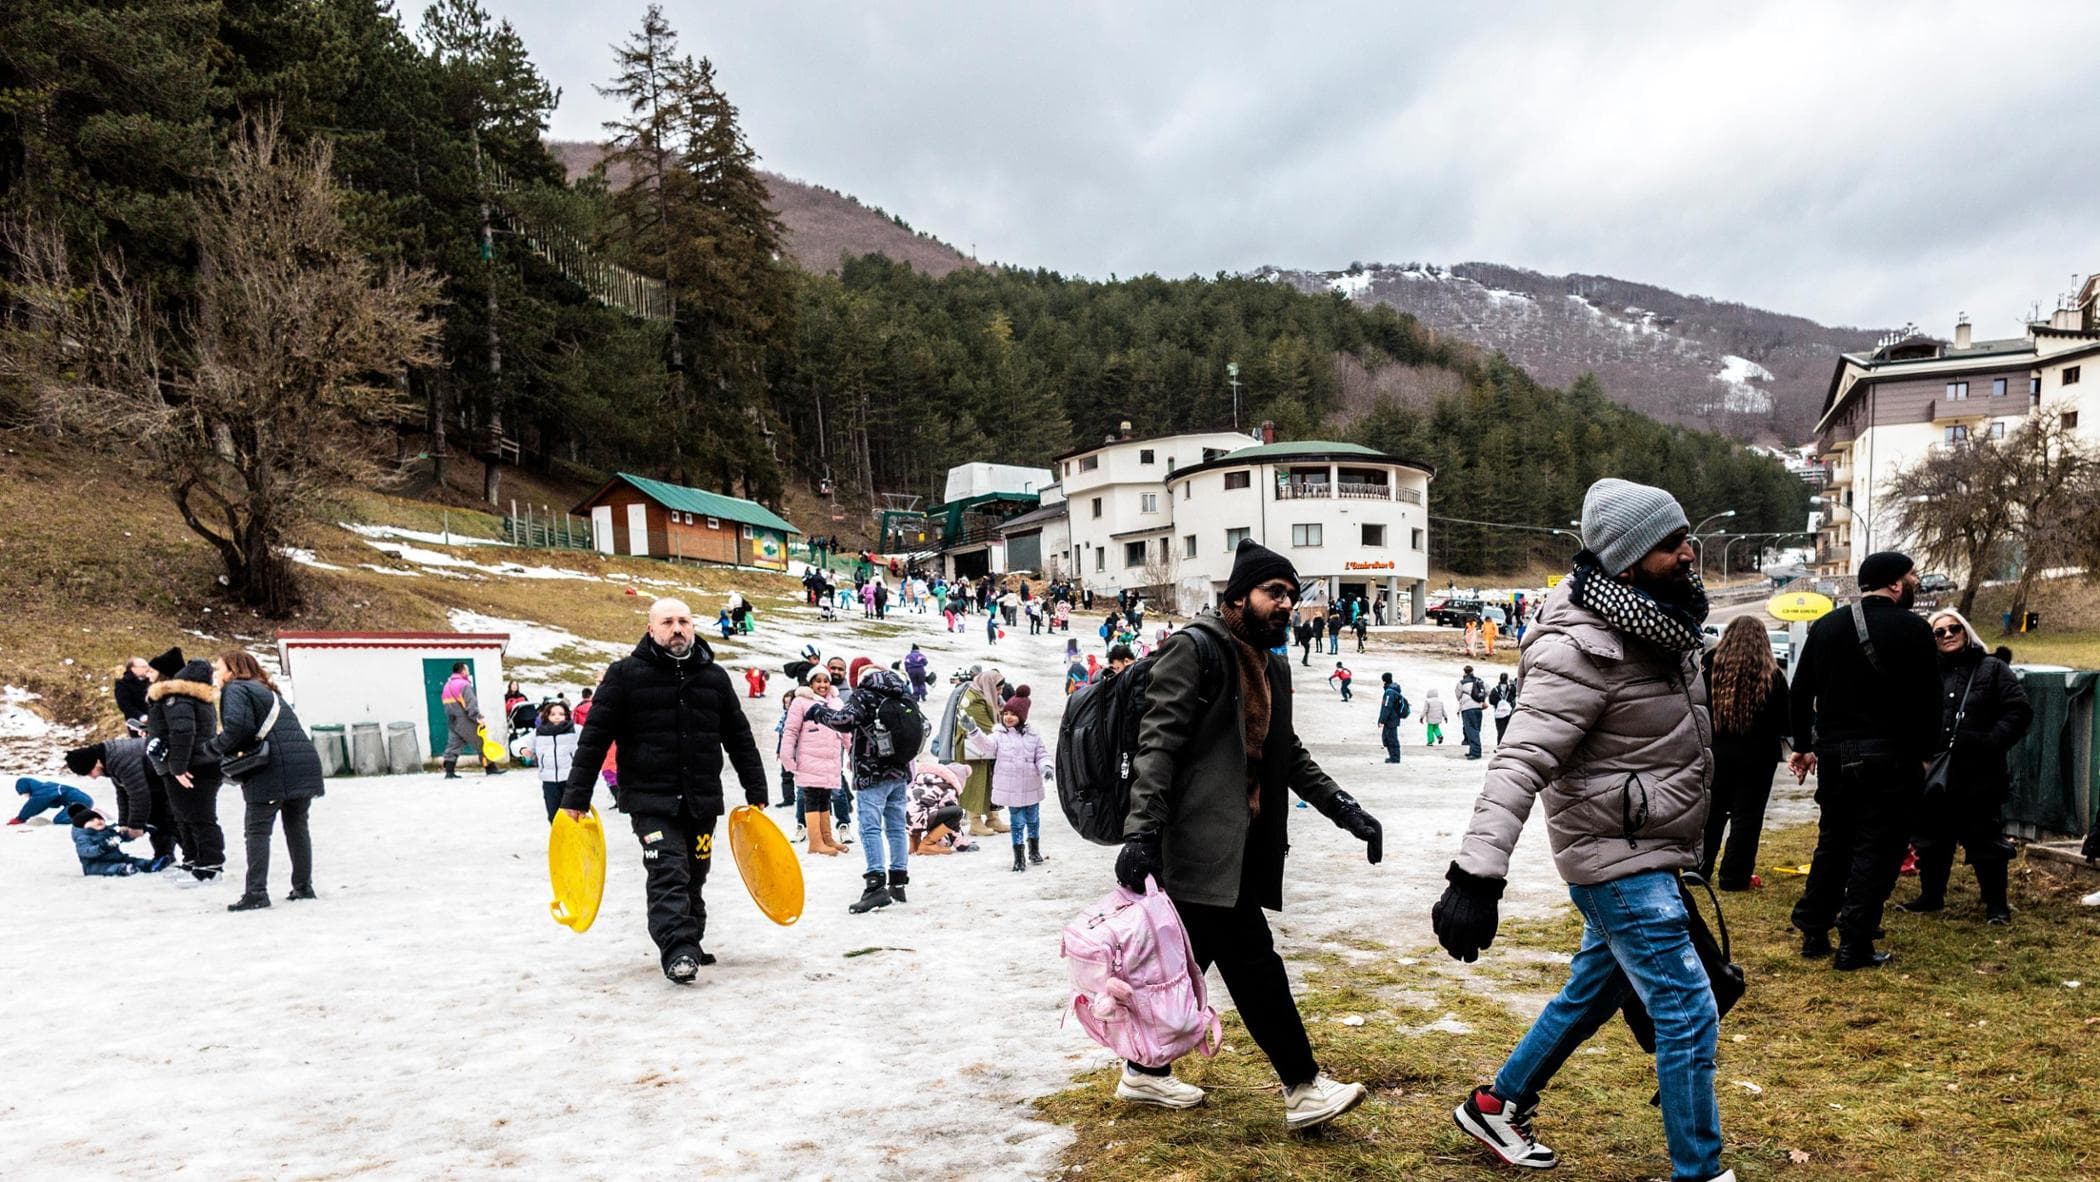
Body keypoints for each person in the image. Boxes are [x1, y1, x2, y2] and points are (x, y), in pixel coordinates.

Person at [1434, 477, 1727, 1182]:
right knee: (1689, 1010)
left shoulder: (1663, 623)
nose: (1690, 554)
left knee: (1595, 990)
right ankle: (1702, 1173)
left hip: (1647, 847)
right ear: (1628, 562)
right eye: (1673, 545)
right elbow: (1519, 761)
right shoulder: (1579, 646)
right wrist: (1476, 876)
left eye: (1687, 538)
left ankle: (1494, 1104)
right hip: (1614, 858)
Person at [1112, 538, 1381, 1130]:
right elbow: (1159, 743)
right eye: (1274, 593)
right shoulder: (1196, 650)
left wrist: (1346, 809)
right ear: (1237, 598)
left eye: (1292, 594)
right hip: (1195, 844)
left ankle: (1143, 1072)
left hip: (1239, 846)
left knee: (1188, 959)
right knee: (1254, 963)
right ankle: (1303, 1087)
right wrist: (1142, 833)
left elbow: (1286, 753)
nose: (1287, 604)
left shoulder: (1272, 662)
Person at [561, 598, 770, 984]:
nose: (677, 628)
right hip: (649, 798)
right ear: (651, 628)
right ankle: (677, 951)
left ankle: (690, 939)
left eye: (684, 621)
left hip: (701, 797)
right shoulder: (624, 675)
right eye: (668, 622)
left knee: (694, 873)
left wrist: (755, 786)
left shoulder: (714, 678)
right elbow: (594, 738)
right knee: (667, 871)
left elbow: (739, 736)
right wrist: (576, 796)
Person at [1788, 552, 1942, 969]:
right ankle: (1854, 943)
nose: (1915, 582)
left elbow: (1800, 693)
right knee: (1878, 847)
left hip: (1837, 756)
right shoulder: (1914, 630)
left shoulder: (1826, 627)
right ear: (1895, 583)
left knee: (1833, 842)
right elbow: (1930, 700)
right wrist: (1927, 755)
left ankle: (1814, 931)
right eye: (1912, 577)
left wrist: (1803, 744)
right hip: (1890, 758)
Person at [1899, 608, 2032, 923]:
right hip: (1934, 770)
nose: (1947, 635)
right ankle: (1932, 896)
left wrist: (1988, 741)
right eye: (1938, 631)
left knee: (1985, 839)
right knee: (1931, 839)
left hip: (1979, 772)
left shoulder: (1993, 668)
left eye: (1953, 628)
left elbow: (2018, 712)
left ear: (1966, 631)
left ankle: (1996, 904)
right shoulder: (1925, 673)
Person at [210, 650, 325, 911]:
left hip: (273, 767)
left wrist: (212, 749)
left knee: (257, 830)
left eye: (218, 669)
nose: (216, 675)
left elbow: (238, 728)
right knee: (297, 827)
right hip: (303, 763)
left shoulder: (235, 689)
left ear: (232, 670)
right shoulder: (266, 689)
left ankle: (256, 892)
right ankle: (303, 886)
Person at [806, 662, 926, 912]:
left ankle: (875, 885)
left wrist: (818, 712)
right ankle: (898, 881)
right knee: (895, 827)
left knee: (870, 827)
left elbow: (844, 720)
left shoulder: (865, 694)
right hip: (898, 771)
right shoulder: (903, 694)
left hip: (871, 773)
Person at [1701, 618, 1791, 891]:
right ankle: (1734, 877)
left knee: (1712, 813)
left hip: (1716, 752)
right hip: (1758, 757)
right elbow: (1785, 723)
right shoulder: (1771, 675)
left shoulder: (1711, 668)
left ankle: (1698, 869)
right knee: (1747, 818)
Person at [145, 647, 227, 884]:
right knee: (184, 816)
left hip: (194, 767)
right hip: (193, 765)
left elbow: (183, 732)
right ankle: (193, 860)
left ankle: (210, 866)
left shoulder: (178, 698)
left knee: (199, 817)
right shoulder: (196, 699)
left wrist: (178, 767)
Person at [963, 685, 1053, 871]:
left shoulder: (1033, 736)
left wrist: (1046, 768)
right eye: (1006, 713)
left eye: (1013, 714)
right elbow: (986, 746)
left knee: (1034, 820)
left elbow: (1042, 755)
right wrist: (974, 731)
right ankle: (1019, 858)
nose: (1008, 717)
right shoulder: (998, 735)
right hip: (1011, 788)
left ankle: (1034, 851)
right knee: (1017, 823)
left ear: (1022, 716)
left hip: (1031, 786)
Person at [63, 739, 174, 864]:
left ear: (95, 762)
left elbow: (139, 794)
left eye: (90, 772)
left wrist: (135, 826)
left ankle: (194, 859)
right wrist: (124, 823)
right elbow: (122, 793)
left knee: (175, 817)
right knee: (155, 816)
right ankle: (164, 855)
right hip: (158, 782)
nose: (93, 777)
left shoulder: (120, 759)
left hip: (175, 775)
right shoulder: (108, 761)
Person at [780, 668, 851, 856]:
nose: (822, 685)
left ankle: (827, 838)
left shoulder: (836, 702)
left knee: (825, 797)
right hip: (810, 758)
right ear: (810, 683)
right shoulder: (801, 702)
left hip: (831, 760)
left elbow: (845, 729)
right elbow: (791, 730)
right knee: (811, 796)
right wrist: (787, 755)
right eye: (818, 681)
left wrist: (851, 750)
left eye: (826, 681)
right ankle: (815, 842)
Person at [955, 668, 1008, 837]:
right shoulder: (972, 700)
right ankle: (975, 821)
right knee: (976, 783)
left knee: (990, 780)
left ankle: (993, 817)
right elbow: (987, 726)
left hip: (984, 747)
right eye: (997, 688)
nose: (999, 692)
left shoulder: (984, 695)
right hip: (971, 747)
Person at [439, 663, 505, 779]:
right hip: (465, 720)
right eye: (467, 669)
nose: (468, 672)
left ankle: (449, 771)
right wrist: (478, 717)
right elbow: (471, 704)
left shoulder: (446, 686)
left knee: (453, 745)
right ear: (463, 671)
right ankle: (490, 768)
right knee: (481, 743)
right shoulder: (464, 685)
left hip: (452, 719)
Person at [67, 804, 160, 876]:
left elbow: (122, 837)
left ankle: (150, 864)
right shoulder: (83, 838)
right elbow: (85, 851)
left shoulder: (108, 830)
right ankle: (123, 869)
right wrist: (101, 848)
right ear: (83, 826)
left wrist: (142, 830)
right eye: (91, 820)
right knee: (108, 868)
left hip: (116, 858)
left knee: (131, 860)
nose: (97, 821)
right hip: (95, 864)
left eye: (99, 818)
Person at [906, 759, 973, 855]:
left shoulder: (921, 780)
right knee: (956, 812)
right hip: (919, 819)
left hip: (904, 821)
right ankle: (927, 844)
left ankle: (914, 844)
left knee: (920, 808)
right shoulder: (948, 788)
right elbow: (953, 822)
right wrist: (961, 845)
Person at [532, 701, 581, 823]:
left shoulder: (574, 729)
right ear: (547, 716)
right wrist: (522, 749)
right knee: (553, 814)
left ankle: (575, 839)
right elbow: (517, 744)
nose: (557, 716)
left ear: (566, 715)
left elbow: (592, 737)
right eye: (553, 714)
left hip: (570, 779)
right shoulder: (539, 732)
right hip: (549, 780)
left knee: (572, 813)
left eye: (561, 714)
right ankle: (559, 839)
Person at [11, 776, 91, 826]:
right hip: (79, 801)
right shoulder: (45, 788)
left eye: (24, 793)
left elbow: (34, 805)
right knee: (60, 819)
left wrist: (20, 818)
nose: (26, 796)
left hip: (80, 801)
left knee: (60, 820)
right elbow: (41, 805)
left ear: (27, 788)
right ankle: (86, 814)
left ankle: (88, 816)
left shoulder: (43, 790)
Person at [114, 657, 155, 736]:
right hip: (137, 722)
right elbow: (124, 705)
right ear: (133, 669)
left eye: (148, 666)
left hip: (155, 719)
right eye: (144, 667)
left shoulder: (151, 680)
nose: (148, 669)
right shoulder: (123, 684)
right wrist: (140, 715)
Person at [1456, 665, 1488, 759]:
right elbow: (1488, 690)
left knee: (1470, 730)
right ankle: (1472, 750)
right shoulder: (1479, 681)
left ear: (1464, 672)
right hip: (1478, 707)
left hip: (1467, 708)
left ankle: (1476, 753)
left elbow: (1458, 695)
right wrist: (1481, 699)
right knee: (1476, 729)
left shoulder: (1462, 682)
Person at [1376, 673, 1407, 763]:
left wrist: (1382, 720)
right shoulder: (1392, 690)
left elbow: (1387, 707)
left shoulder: (1389, 692)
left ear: (1384, 680)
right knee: (1387, 738)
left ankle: (1395, 758)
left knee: (1392, 738)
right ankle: (1393, 757)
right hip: (1392, 718)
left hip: (1391, 719)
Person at [1488, 673, 1517, 744]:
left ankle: (1499, 746)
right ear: (1507, 679)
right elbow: (1516, 694)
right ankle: (1507, 746)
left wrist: (1498, 703)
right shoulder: (1511, 689)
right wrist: (1513, 685)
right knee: (1509, 731)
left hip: (1499, 713)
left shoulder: (1495, 690)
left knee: (1500, 731)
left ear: (1500, 678)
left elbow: (1491, 701)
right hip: (1510, 712)